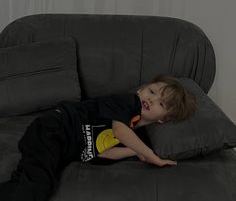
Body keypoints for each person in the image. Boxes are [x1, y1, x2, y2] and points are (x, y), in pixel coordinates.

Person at [0, 74, 197, 201]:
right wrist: (150, 154)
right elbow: (119, 131)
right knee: (38, 186)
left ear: (164, 119)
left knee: (26, 183)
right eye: (151, 91)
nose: (151, 99)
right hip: (55, 129)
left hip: (58, 146)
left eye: (161, 104)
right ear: (141, 90)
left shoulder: (134, 136)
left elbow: (105, 152)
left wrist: (134, 152)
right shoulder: (128, 104)